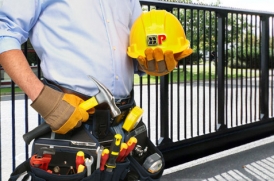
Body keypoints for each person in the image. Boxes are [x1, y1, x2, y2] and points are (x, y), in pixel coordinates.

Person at [0, 0, 191, 134]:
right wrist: (44, 100)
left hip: (124, 119)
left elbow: (135, 47)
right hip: (70, 118)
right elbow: (4, 34)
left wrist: (150, 64)